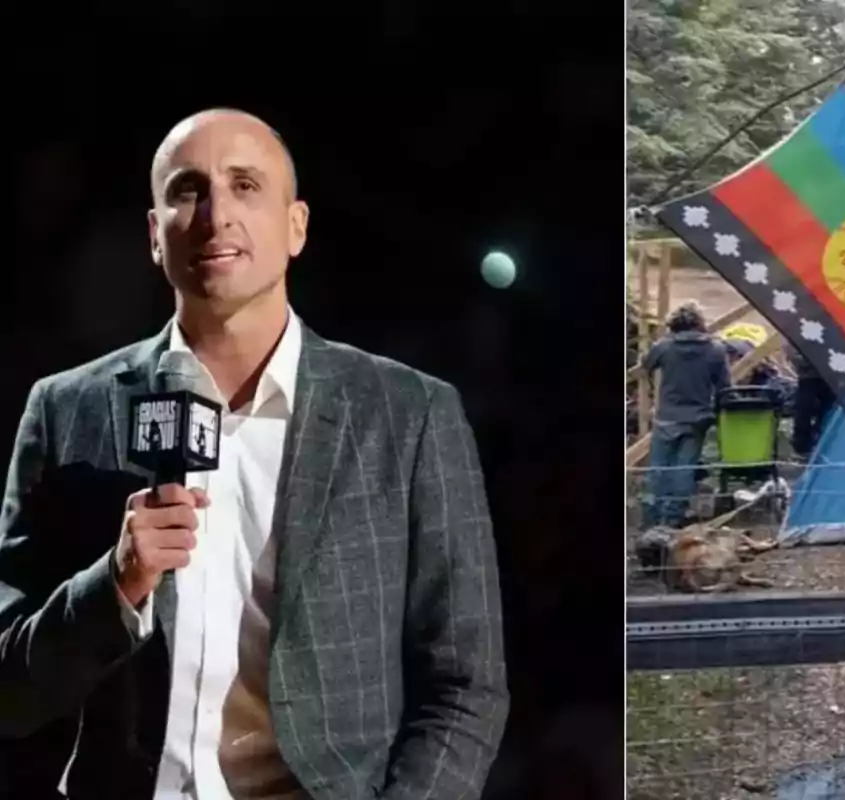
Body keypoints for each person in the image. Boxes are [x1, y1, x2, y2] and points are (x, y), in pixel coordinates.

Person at [0, 109, 508, 799]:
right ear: (156, 235)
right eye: (187, 190)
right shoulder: (67, 409)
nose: (217, 214)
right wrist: (114, 584)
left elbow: (466, 684)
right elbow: (10, 693)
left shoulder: (408, 413)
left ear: (295, 226)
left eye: (245, 186)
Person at [640, 302, 730, 528]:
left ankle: (653, 518)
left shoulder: (664, 347)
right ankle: (673, 518)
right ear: (700, 323)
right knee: (684, 469)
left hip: (667, 416)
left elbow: (645, 365)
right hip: (697, 418)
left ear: (673, 324)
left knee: (659, 467)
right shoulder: (716, 350)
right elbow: (724, 387)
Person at [786, 344, 834, 459]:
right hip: (808, 376)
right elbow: (792, 353)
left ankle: (821, 438)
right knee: (804, 410)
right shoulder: (797, 330)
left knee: (828, 409)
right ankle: (802, 444)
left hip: (829, 376)